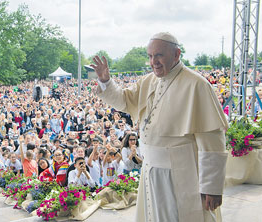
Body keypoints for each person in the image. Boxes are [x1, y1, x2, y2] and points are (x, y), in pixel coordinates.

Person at [91, 32, 228, 222]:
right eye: (150, 56)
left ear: (176, 54)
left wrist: (212, 187)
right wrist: (106, 81)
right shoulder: (148, 81)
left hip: (182, 173)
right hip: (151, 170)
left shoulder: (197, 85)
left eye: (159, 55)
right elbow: (124, 101)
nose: (153, 61)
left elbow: (212, 142)